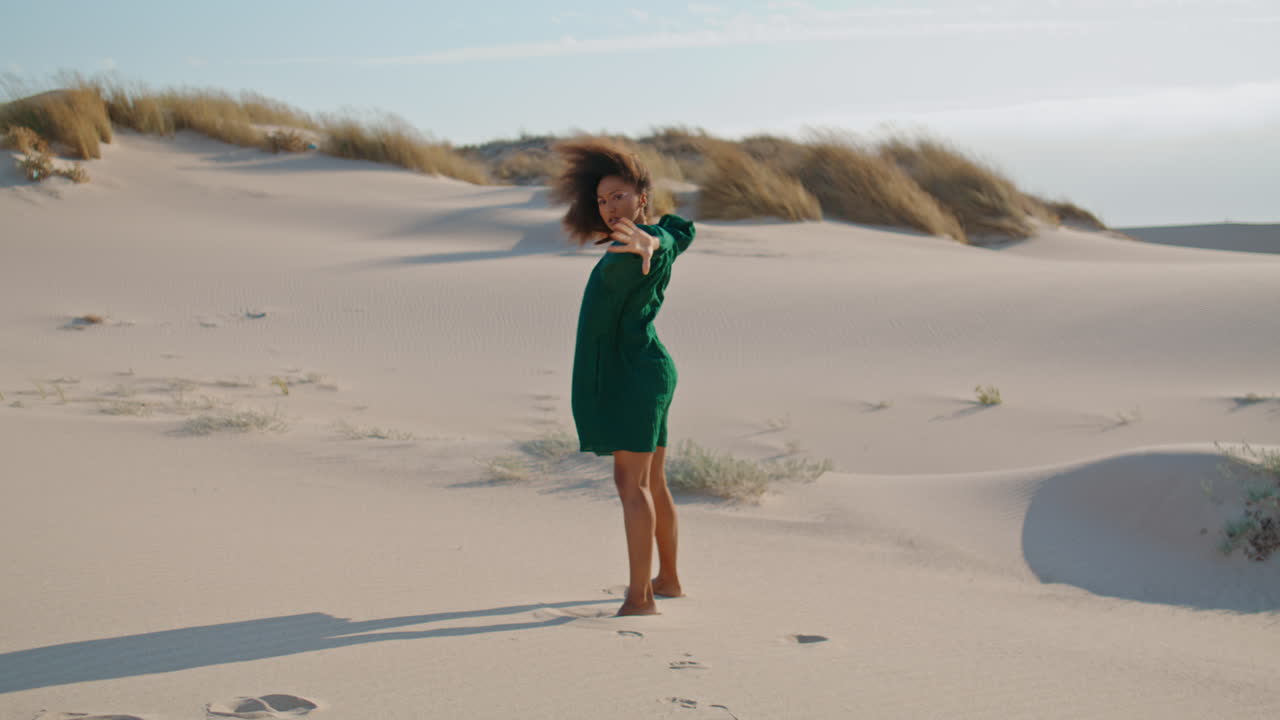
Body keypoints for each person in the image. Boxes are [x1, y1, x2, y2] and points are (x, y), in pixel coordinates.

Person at [550, 138, 696, 616]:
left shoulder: (643, 243)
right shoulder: (627, 239)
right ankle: (668, 579)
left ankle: (640, 598)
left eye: (618, 195)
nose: (610, 207)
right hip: (645, 368)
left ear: (641, 195)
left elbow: (669, 238)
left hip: (636, 375)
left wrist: (653, 240)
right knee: (653, 481)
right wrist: (656, 237)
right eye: (602, 199)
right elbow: (681, 233)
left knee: (630, 484)